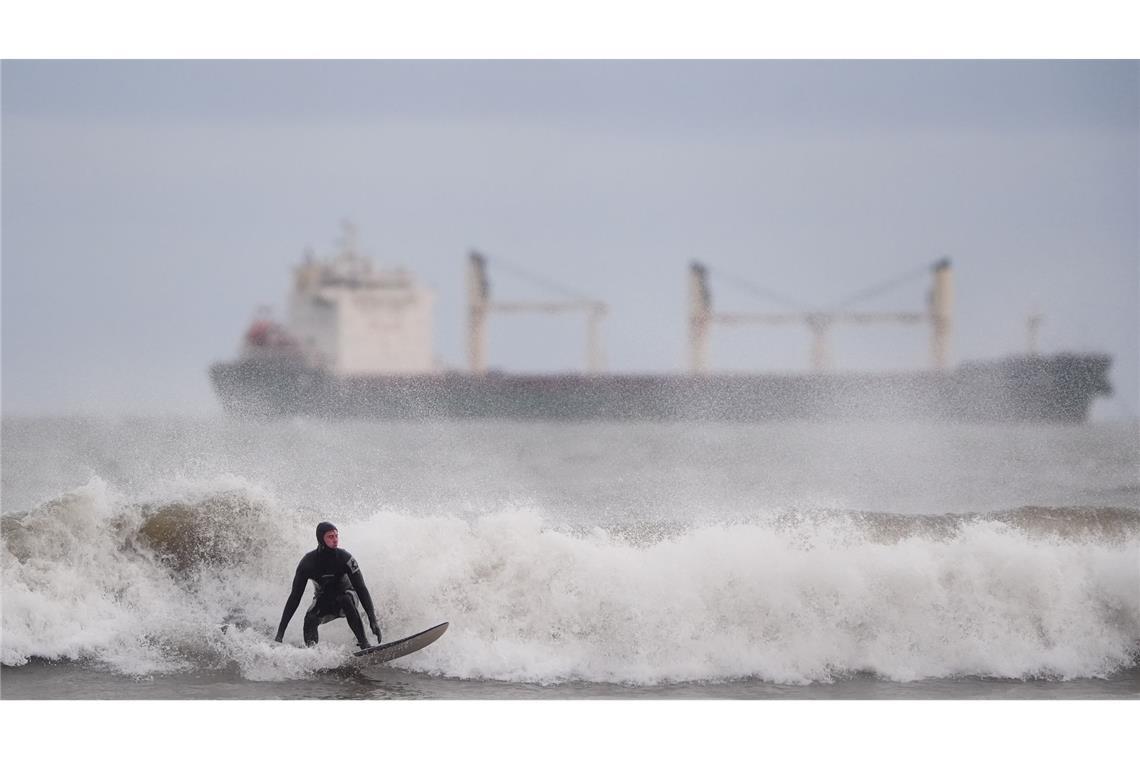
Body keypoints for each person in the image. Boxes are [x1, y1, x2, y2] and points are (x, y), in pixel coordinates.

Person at [275, 521, 382, 650]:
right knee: (310, 618)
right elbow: (294, 598)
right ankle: (312, 655)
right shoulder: (307, 563)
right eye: (330, 537)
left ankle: (364, 644)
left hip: (349, 596)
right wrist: (280, 633)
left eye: (336, 536)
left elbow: (361, 589)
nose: (335, 540)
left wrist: (372, 620)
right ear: (321, 539)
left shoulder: (346, 558)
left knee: (345, 599)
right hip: (324, 600)